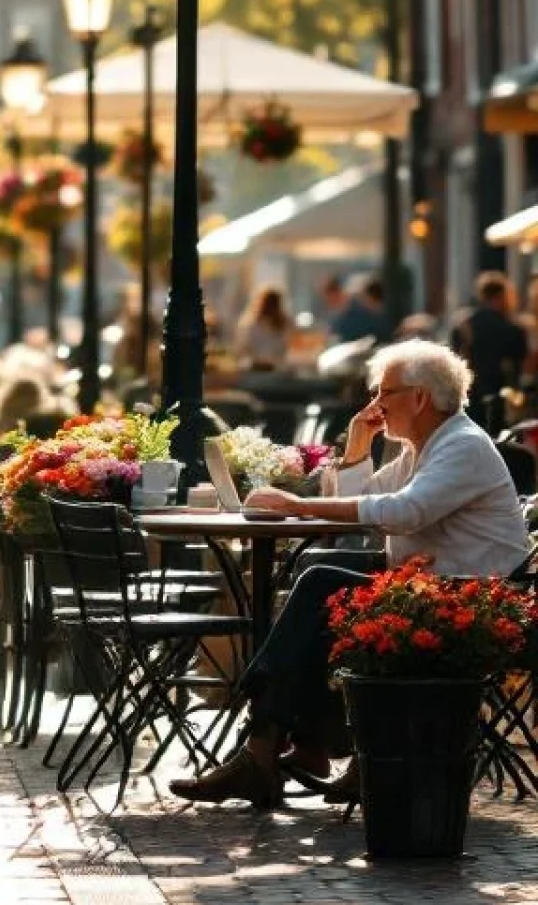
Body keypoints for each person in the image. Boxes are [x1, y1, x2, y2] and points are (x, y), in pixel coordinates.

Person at [168, 340, 531, 808]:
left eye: (384, 393)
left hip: (472, 600)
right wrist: (360, 445)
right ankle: (302, 745)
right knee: (318, 569)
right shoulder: (426, 447)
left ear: (420, 398)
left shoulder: (462, 446)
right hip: (432, 587)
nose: (375, 405)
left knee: (323, 583)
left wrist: (299, 504)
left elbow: (403, 512)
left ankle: (269, 744)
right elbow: (367, 512)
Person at [451, 270, 529, 430]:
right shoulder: (512, 328)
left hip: (469, 391)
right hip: (500, 393)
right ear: (502, 296)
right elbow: (520, 361)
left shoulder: (464, 325)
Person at [235, 285, 293, 372]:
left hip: (276, 370)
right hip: (253, 369)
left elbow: (288, 349)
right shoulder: (249, 324)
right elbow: (242, 350)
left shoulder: (285, 325)